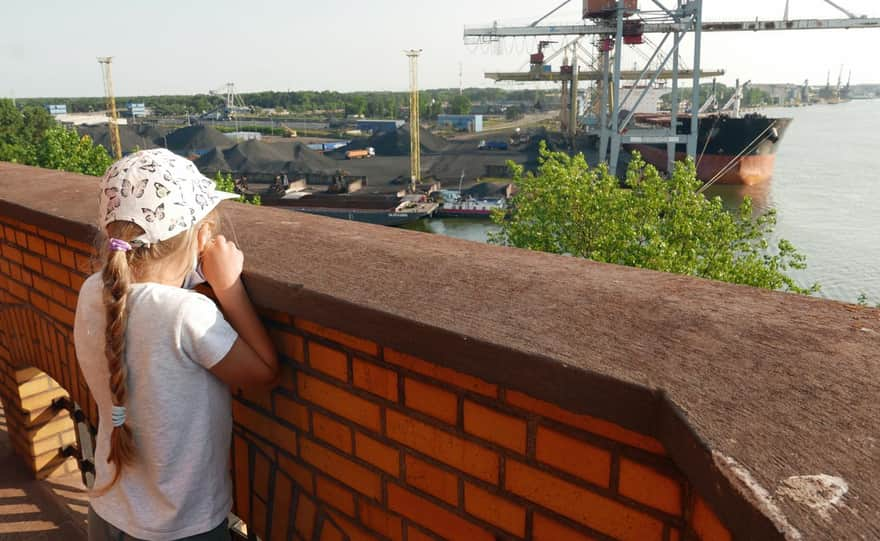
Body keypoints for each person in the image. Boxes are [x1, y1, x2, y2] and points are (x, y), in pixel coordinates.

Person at [74, 149, 279, 541]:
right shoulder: (185, 313)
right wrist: (228, 287)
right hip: (180, 526)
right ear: (200, 236)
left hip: (108, 509)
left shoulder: (93, 291)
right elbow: (264, 373)